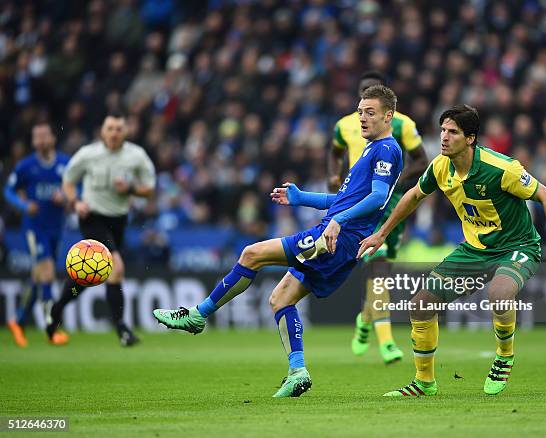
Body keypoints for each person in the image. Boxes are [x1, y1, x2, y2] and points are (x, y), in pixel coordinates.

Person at [153, 85, 404, 397]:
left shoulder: (387, 150)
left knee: (251, 253)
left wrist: (338, 221)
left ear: (388, 116)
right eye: (360, 111)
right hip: (338, 236)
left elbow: (378, 197)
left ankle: (198, 315)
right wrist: (302, 198)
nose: (362, 118)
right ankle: (298, 370)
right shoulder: (371, 149)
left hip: (337, 238)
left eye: (370, 112)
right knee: (280, 299)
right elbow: (342, 198)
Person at [358, 104, 546, 397]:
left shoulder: (502, 168)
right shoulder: (440, 166)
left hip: (518, 247)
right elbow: (413, 196)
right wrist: (381, 233)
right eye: (442, 130)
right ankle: (424, 383)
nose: (444, 137)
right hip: (475, 250)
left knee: (499, 294)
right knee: (421, 304)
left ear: (470, 138)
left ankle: (504, 357)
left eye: (452, 132)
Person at [329, 70, 428, 364]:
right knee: (379, 268)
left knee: (380, 271)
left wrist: (393, 184)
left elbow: (421, 160)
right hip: (358, 203)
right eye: (361, 99)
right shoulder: (345, 126)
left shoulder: (402, 124)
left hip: (389, 201)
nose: (363, 110)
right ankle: (386, 342)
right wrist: (332, 176)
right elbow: (334, 152)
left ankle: (364, 319)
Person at [45, 111, 156, 347]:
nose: (114, 133)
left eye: (118, 128)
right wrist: (76, 202)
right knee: (116, 267)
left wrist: (130, 189)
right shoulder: (88, 154)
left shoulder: (136, 156)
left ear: (126, 131)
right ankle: (122, 329)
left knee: (88, 277)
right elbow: (68, 180)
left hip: (119, 219)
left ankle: (57, 308)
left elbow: (149, 189)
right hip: (92, 217)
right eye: (110, 128)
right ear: (102, 131)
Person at [4, 122, 71, 347]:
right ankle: (51, 327)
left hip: (56, 228)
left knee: (38, 277)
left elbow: (76, 188)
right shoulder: (26, 166)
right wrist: (24, 205)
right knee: (47, 272)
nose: (40, 140)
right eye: (36, 137)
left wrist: (66, 197)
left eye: (44, 136)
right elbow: (8, 191)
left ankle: (18, 319)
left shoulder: (65, 163)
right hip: (35, 228)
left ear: (53, 138)